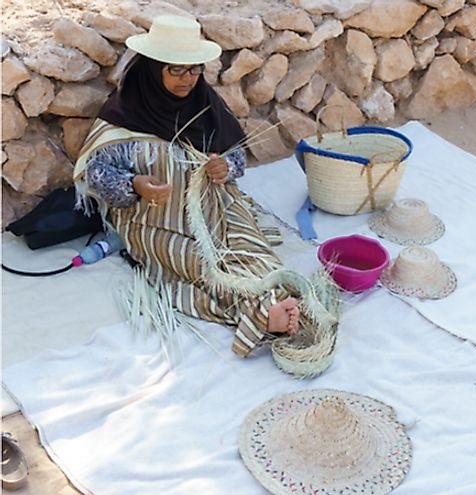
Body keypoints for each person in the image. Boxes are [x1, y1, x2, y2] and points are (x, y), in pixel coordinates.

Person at [73, 15, 304, 357]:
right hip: (150, 219)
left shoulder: (204, 104)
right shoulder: (124, 112)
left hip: (214, 206)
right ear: (153, 69)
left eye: (194, 69)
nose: (188, 79)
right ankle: (256, 312)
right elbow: (97, 174)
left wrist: (225, 168)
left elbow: (235, 156)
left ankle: (277, 294)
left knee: (250, 248)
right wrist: (135, 184)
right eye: (175, 70)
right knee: (198, 264)